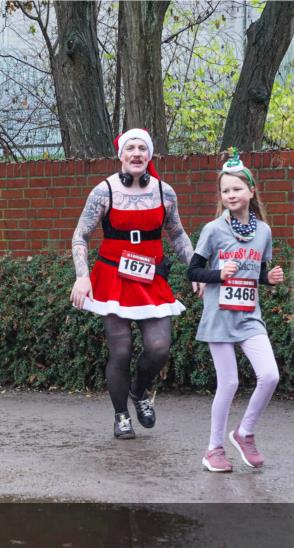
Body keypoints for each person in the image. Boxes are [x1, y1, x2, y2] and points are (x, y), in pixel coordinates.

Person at [70, 129, 201, 439]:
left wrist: (196, 268)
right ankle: (120, 415)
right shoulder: (104, 191)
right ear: (121, 155)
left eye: (143, 148)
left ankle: (138, 391)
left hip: (150, 278)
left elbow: (178, 234)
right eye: (131, 148)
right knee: (121, 350)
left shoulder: (164, 192)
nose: (137, 153)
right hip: (113, 278)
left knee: (158, 348)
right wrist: (82, 275)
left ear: (150, 155)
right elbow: (81, 235)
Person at [186, 152, 284, 472]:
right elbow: (194, 272)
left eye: (237, 189)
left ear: (251, 192)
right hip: (219, 315)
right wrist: (218, 275)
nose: (231, 195)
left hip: (249, 315)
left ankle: (244, 433)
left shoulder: (264, 232)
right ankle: (214, 448)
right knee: (227, 383)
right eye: (225, 190)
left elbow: (257, 271)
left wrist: (268, 279)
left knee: (269, 375)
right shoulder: (213, 229)